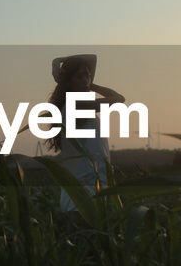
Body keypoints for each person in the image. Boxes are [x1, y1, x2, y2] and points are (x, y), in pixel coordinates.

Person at [47, 54, 125, 214]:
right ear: (68, 82)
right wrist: (58, 64)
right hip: (82, 193)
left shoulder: (79, 105)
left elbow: (92, 57)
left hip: (92, 187)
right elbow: (118, 99)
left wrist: (57, 61)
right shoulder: (76, 105)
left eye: (87, 76)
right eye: (79, 76)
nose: (85, 80)